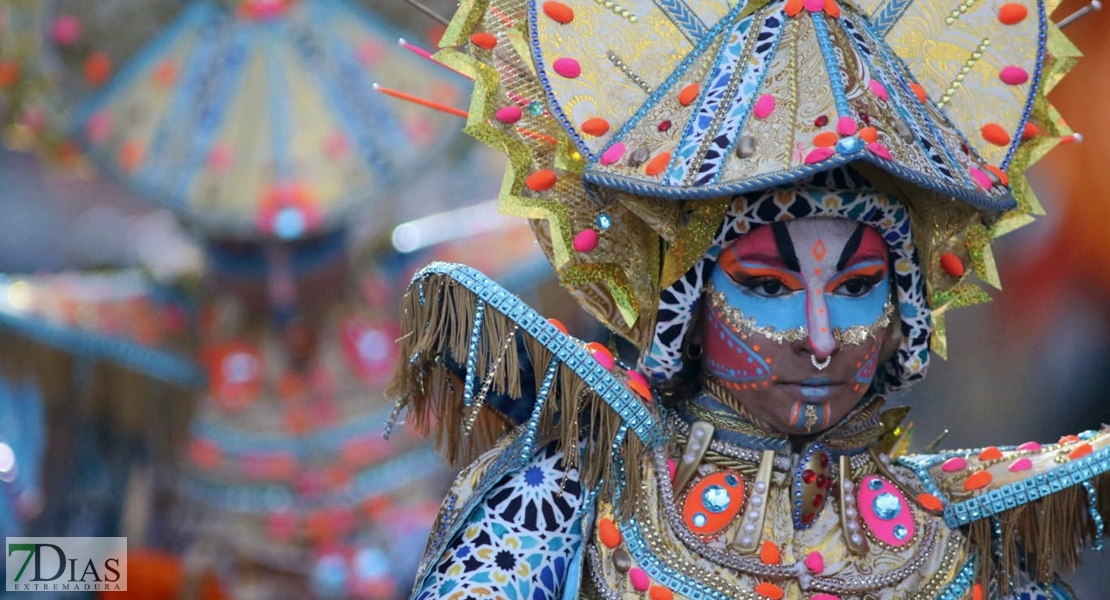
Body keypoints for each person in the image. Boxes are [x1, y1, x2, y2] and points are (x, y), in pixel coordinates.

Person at [386, 0, 1107, 598]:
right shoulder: (558, 505)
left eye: (857, 288)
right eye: (767, 287)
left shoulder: (967, 550)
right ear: (685, 306)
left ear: (905, 313)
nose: (820, 339)